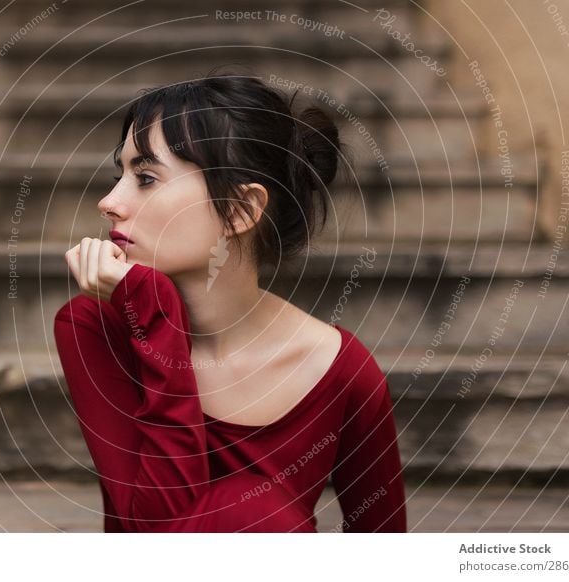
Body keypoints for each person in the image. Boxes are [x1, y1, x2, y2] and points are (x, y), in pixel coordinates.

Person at [53, 66, 407, 533]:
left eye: (145, 177)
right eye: (120, 172)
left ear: (239, 211)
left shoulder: (341, 373)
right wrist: (154, 310)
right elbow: (153, 527)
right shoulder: (95, 327)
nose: (109, 201)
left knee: (253, 511)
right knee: (245, 506)